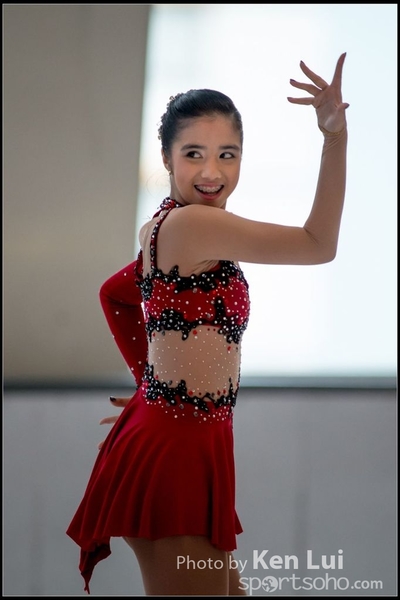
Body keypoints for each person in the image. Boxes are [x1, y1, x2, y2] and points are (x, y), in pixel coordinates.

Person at [67, 53, 349, 596]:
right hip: (174, 452)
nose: (211, 172)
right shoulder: (194, 225)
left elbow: (115, 295)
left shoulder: (167, 227)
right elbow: (319, 244)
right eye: (193, 154)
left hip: (183, 439)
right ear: (167, 158)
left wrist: (150, 387)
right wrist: (334, 139)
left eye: (227, 155)